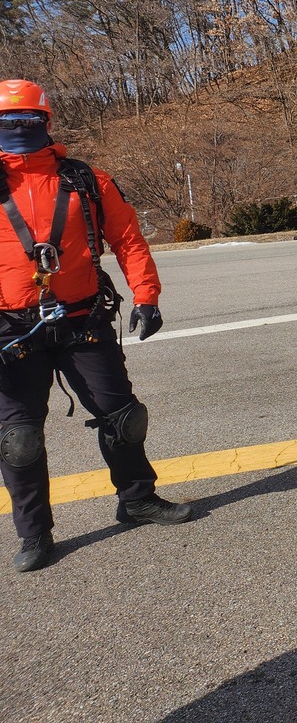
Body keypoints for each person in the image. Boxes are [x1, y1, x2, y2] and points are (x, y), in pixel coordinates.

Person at [0, 79, 192, 574]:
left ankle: (137, 500)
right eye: (7, 122)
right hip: (11, 328)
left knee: (123, 416)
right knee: (18, 438)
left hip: (82, 315)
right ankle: (35, 534)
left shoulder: (86, 180)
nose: (19, 129)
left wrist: (146, 294)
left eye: (28, 120)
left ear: (47, 123)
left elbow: (127, 238)